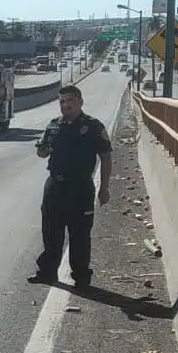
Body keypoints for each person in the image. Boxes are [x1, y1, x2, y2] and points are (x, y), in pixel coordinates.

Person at [30, 84, 112, 289]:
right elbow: (43, 153)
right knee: (50, 232)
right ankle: (47, 272)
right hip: (55, 185)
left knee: (80, 235)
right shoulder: (53, 125)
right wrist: (43, 150)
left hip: (81, 187)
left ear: (80, 102)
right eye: (62, 101)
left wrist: (104, 187)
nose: (66, 105)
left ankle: (81, 276)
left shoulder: (93, 126)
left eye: (70, 101)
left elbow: (106, 157)